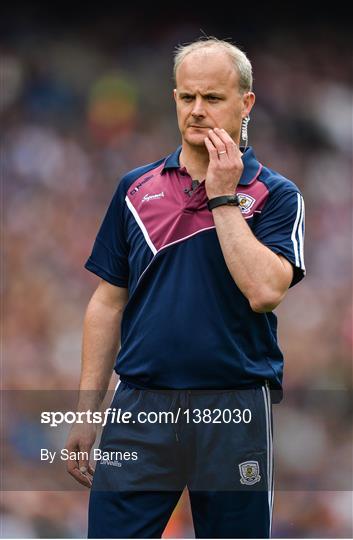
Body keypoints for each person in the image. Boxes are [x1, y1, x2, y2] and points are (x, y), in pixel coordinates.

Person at [65, 37, 305, 538]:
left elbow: (265, 291)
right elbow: (108, 302)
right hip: (140, 405)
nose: (197, 110)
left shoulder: (275, 195)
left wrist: (222, 197)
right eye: (186, 97)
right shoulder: (135, 189)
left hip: (232, 406)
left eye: (212, 98)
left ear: (246, 103)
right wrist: (86, 412)